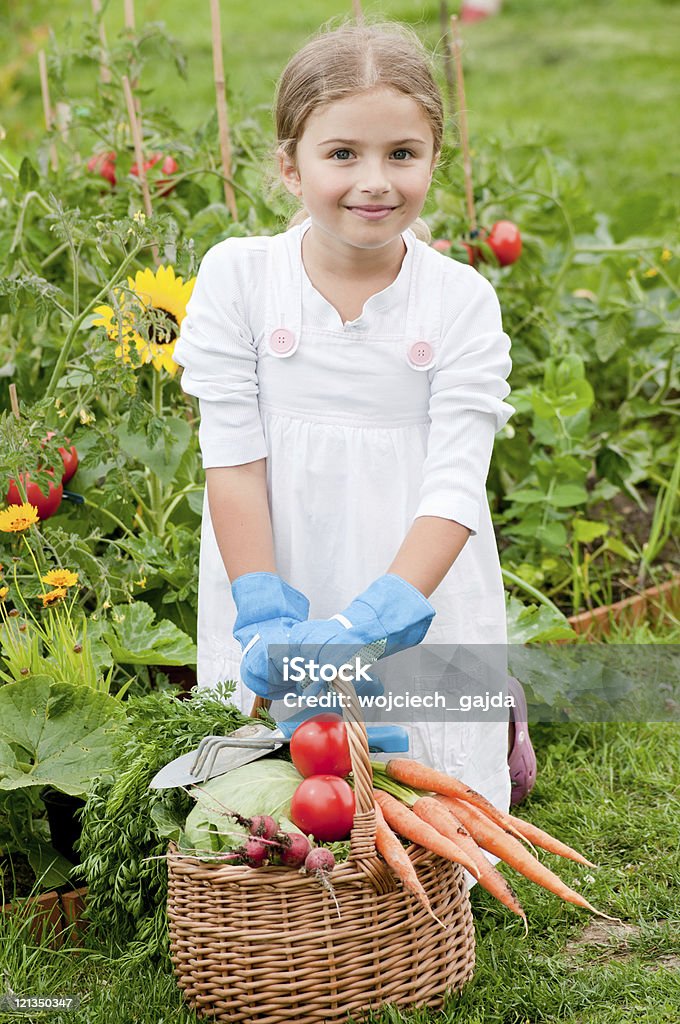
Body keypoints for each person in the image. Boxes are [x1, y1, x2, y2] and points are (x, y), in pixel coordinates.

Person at [172, 19, 536, 814]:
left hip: (416, 565)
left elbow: (454, 482)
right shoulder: (240, 279)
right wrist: (261, 607)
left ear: (433, 160)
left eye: (402, 154)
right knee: (275, 788)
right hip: (280, 552)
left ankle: (472, 771)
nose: (375, 180)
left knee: (422, 755)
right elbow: (233, 461)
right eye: (343, 154)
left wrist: (389, 609)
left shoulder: (459, 301)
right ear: (289, 167)